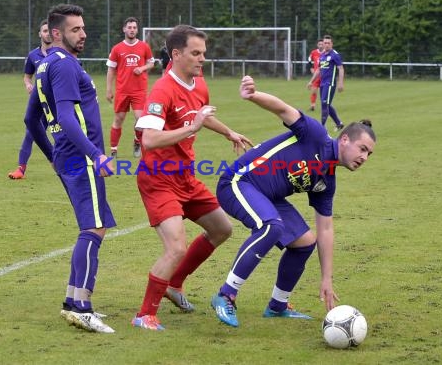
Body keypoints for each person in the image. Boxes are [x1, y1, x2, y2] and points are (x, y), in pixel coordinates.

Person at [210, 75, 376, 328]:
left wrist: (327, 278)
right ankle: (226, 295)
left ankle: (277, 305)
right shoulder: (316, 135)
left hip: (268, 197)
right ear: (345, 140)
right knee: (271, 226)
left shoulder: (326, 181)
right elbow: (283, 109)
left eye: (369, 154)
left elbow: (326, 229)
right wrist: (253, 95)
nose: (365, 157)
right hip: (238, 182)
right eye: (362, 148)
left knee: (305, 242)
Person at [131, 25, 253, 331]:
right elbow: (149, 139)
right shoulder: (161, 90)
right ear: (176, 54)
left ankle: (175, 283)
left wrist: (229, 132)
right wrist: (192, 128)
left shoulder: (197, 83)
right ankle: (144, 314)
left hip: (186, 178)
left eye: (204, 53)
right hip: (158, 178)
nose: (202, 59)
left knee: (222, 228)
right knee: (176, 248)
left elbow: (202, 114)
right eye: (196, 53)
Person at [24, 4, 117, 334]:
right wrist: (96, 155)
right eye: (76, 29)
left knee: (94, 226)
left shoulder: (45, 66)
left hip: (67, 155)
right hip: (81, 157)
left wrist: (51, 154)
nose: (84, 34)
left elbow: (30, 118)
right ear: (57, 33)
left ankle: (72, 301)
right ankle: (82, 307)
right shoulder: (63, 65)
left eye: (83, 28)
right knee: (94, 228)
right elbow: (64, 116)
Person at [8, 19, 53, 179]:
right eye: (45, 31)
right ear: (40, 34)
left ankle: (72, 163)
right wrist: (28, 85)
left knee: (64, 133)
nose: (47, 33)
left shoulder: (60, 53)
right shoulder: (33, 55)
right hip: (40, 103)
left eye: (50, 30)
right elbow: (27, 77)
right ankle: (21, 169)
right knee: (30, 133)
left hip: (58, 104)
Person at [105, 17, 155, 159]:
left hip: (139, 90)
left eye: (134, 27)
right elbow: (111, 70)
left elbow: (151, 63)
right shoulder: (117, 48)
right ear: (124, 29)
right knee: (119, 119)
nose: (132, 30)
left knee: (140, 119)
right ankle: (114, 150)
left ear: (137, 30)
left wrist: (142, 68)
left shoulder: (144, 46)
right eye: (129, 27)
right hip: (122, 90)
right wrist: (109, 89)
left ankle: (137, 142)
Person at [307, 34, 345, 131]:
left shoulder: (334, 55)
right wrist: (311, 81)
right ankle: (339, 123)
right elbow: (319, 69)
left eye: (328, 43)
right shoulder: (322, 55)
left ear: (332, 44)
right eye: (325, 43)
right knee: (326, 104)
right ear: (322, 44)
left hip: (330, 83)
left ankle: (322, 128)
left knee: (324, 104)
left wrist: (341, 82)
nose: (326, 45)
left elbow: (340, 68)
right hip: (322, 83)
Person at [306, 39, 324, 112]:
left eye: (322, 44)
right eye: (319, 44)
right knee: (313, 91)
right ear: (317, 45)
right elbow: (309, 61)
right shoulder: (314, 52)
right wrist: (311, 69)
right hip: (316, 76)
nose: (321, 46)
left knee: (323, 93)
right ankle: (312, 106)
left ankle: (325, 106)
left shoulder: (326, 53)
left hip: (324, 76)